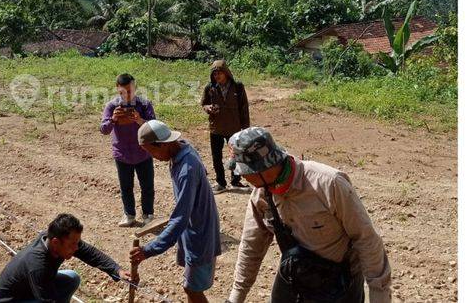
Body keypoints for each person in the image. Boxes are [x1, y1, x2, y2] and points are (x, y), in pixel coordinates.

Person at [225, 127, 392, 303]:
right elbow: (252, 245)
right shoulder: (261, 195)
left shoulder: (329, 184)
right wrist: (236, 298)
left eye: (243, 171)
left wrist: (379, 296)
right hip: (294, 275)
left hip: (339, 282)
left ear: (263, 168)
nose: (241, 176)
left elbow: (366, 239)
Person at [130, 120, 221, 303]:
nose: (153, 157)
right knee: (191, 287)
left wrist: (148, 250)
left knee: (192, 289)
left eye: (151, 151)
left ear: (163, 144)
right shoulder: (183, 149)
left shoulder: (187, 168)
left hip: (199, 233)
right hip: (193, 229)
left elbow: (179, 219)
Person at [0, 213, 132, 303]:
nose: (77, 248)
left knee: (72, 278)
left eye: (77, 243)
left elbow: (89, 253)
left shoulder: (54, 240)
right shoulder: (38, 265)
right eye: (73, 244)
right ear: (56, 242)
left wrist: (116, 270)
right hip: (9, 300)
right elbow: (47, 300)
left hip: (31, 289)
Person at [100, 73, 156, 227]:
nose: (127, 95)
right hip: (122, 153)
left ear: (135, 88)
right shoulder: (112, 107)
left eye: (129, 91)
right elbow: (103, 129)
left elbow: (154, 126)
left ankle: (148, 215)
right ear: (117, 90)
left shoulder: (144, 105)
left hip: (143, 152)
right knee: (126, 187)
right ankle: (129, 215)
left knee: (147, 186)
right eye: (122, 92)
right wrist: (113, 120)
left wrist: (139, 119)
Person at [200, 60, 250, 193]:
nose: (217, 76)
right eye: (214, 74)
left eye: (219, 73)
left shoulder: (238, 87)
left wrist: (245, 128)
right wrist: (208, 108)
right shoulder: (209, 87)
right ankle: (220, 182)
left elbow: (244, 108)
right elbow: (203, 103)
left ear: (226, 73)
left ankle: (236, 180)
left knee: (236, 155)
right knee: (216, 156)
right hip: (216, 127)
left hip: (234, 127)